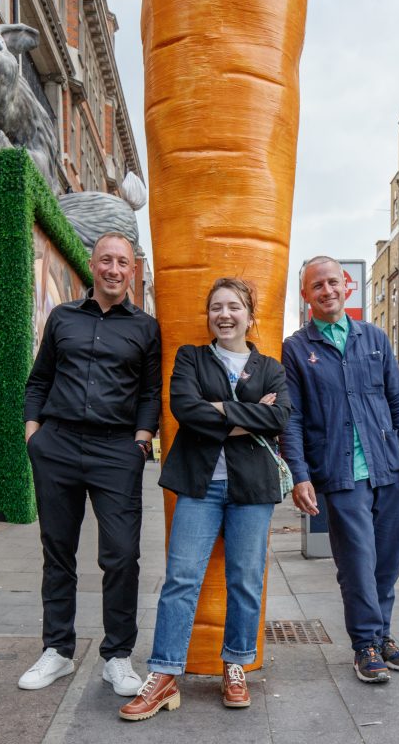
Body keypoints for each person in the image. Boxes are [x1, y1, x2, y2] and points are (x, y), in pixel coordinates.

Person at [119, 278, 290, 721]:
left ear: (250, 316)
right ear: (209, 316)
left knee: (246, 580)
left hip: (251, 488)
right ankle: (164, 674)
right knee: (180, 579)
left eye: (234, 306)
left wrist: (219, 411)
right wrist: (248, 418)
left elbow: (280, 417)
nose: (225, 314)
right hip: (201, 484)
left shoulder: (271, 366)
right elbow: (184, 409)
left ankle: (234, 665)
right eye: (216, 307)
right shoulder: (191, 358)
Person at [18, 233, 162, 694]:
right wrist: (33, 434)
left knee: (121, 554)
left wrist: (141, 441)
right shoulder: (63, 318)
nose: (114, 269)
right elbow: (38, 379)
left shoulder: (145, 327)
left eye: (122, 261)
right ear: (92, 265)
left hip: (116, 450)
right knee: (57, 552)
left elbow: (149, 391)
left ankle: (117, 656)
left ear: (132, 270)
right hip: (56, 445)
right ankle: (57, 651)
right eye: (106, 260)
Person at [280, 256, 399, 685]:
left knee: (387, 559)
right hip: (341, 472)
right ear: (306, 296)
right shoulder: (296, 348)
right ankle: (364, 643)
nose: (327, 291)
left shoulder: (374, 338)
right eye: (316, 286)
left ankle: (382, 636)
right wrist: (300, 474)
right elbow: (292, 417)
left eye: (332, 283)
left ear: (347, 287)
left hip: (388, 466)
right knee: (357, 561)